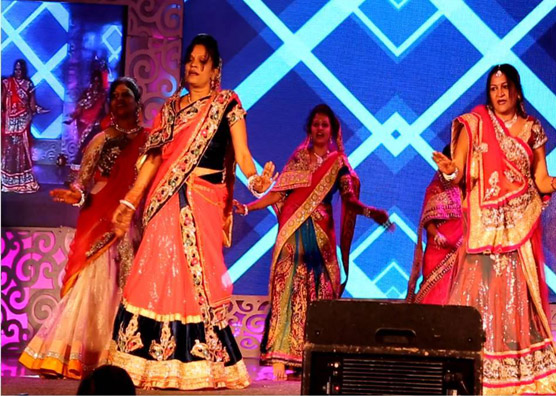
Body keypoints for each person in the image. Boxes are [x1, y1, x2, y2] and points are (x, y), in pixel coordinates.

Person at [107, 34, 276, 390]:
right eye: (190, 60)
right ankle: (147, 361)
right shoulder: (170, 109)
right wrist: (130, 201)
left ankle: (202, 363)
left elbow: (243, 156)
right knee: (156, 270)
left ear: (215, 70)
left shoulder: (227, 104)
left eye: (202, 61)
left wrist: (256, 180)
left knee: (199, 278)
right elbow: (154, 160)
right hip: (166, 199)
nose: (194, 66)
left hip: (204, 200)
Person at [432, 64, 556, 395]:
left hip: (518, 230)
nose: (500, 93)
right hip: (483, 232)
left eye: (505, 86)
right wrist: (450, 170)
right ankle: (475, 374)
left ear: (517, 91)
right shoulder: (474, 125)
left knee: (514, 303)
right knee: (479, 301)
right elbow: (458, 173)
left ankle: (518, 375)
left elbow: (541, 180)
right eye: (494, 88)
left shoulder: (532, 129)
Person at [234, 103, 391, 380]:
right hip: (293, 233)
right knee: (287, 288)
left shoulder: (339, 163)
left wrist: (370, 212)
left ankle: (314, 354)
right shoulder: (298, 158)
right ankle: (281, 355)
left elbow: (350, 199)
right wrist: (248, 208)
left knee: (320, 292)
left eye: (325, 125)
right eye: (316, 124)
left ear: (332, 131)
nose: (320, 128)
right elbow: (279, 194)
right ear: (310, 128)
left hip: (321, 237)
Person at [18, 77, 147, 379]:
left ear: (137, 102)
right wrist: (75, 195)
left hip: (135, 218)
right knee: (96, 283)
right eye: (115, 96)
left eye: (126, 95)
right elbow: (83, 182)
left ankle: (124, 355)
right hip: (101, 218)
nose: (119, 100)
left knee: (129, 285)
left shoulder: (150, 140)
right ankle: (82, 355)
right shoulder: (100, 140)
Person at [406, 144, 463, 304]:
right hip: (438, 249)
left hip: (460, 250)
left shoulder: (467, 189)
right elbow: (426, 221)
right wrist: (437, 236)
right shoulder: (435, 188)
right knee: (434, 294)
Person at [1, 59, 47, 193]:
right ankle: (7, 180)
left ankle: (23, 180)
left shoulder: (28, 84)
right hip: (9, 122)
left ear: (24, 70)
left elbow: (32, 105)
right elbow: (2, 101)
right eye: (16, 69)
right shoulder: (7, 83)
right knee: (9, 149)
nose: (18, 72)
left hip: (23, 121)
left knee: (22, 149)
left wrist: (38, 110)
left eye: (20, 69)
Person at [65, 69, 109, 157]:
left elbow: (107, 111)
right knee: (83, 148)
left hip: (96, 126)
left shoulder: (103, 95)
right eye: (94, 81)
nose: (96, 83)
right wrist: (72, 117)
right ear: (92, 81)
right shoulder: (87, 94)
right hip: (84, 125)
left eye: (98, 81)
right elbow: (79, 107)